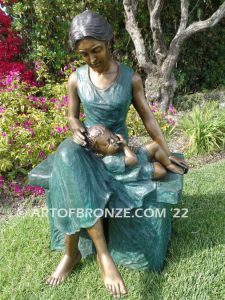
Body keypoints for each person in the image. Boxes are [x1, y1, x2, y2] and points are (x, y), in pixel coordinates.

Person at [46, 10, 188, 298]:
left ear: (109, 42)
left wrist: (165, 150)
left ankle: (79, 253)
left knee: (73, 178)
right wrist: (75, 128)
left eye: (96, 50)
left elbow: (148, 117)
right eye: (84, 54)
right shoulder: (76, 79)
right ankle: (98, 254)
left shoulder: (129, 79)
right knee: (65, 155)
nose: (92, 59)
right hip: (88, 146)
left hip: (116, 148)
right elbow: (73, 117)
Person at [84, 124, 188, 178]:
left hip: (136, 158)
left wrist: (126, 147)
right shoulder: (109, 161)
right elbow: (133, 160)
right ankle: (157, 162)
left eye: (112, 136)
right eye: (108, 142)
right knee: (161, 171)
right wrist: (125, 147)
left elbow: (132, 155)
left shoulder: (114, 148)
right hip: (135, 171)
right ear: (99, 152)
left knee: (154, 145)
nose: (113, 141)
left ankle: (168, 163)